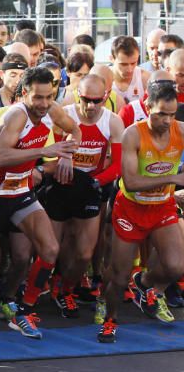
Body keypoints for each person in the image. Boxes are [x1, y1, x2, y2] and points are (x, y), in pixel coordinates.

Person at [0, 66, 81, 339]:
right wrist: (44, 151)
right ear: (24, 94)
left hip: (21, 193)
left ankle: (18, 308)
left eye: (49, 97)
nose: (44, 104)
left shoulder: (52, 109)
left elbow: (75, 130)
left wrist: (67, 155)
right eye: (38, 98)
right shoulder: (16, 116)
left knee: (46, 250)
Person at [99, 80, 184, 343]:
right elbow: (132, 182)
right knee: (119, 275)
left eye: (171, 114)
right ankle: (110, 319)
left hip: (162, 207)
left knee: (175, 266)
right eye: (161, 114)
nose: (167, 121)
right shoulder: (133, 134)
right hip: (131, 209)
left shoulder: (180, 130)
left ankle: (145, 284)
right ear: (147, 107)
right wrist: (174, 179)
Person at [40, 73, 124, 318]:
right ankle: (35, 293)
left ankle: (66, 288)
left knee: (85, 253)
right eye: (85, 99)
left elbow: (117, 166)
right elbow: (48, 155)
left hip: (90, 187)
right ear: (78, 95)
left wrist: (94, 182)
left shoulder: (113, 122)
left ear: (106, 97)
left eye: (96, 100)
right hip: (61, 183)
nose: (90, 106)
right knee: (52, 248)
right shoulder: (65, 115)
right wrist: (62, 158)